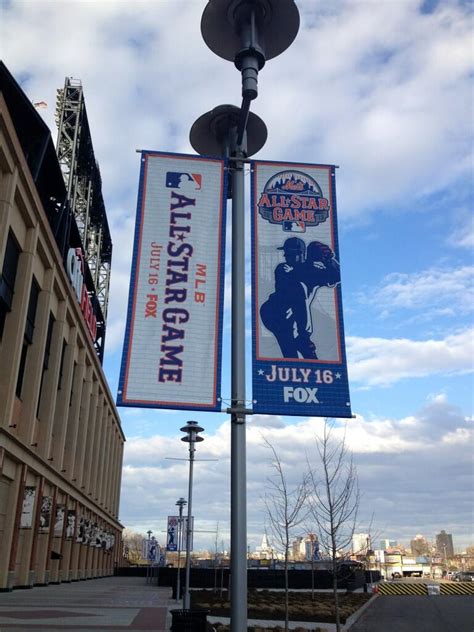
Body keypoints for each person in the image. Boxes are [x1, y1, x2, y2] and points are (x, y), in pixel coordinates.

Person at [260, 237, 308, 357]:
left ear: (300, 254)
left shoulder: (308, 268)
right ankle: (302, 337)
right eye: (286, 254)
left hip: (289, 310)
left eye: (290, 254)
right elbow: (284, 288)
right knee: (289, 347)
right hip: (274, 312)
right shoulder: (282, 268)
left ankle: (302, 337)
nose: (287, 257)